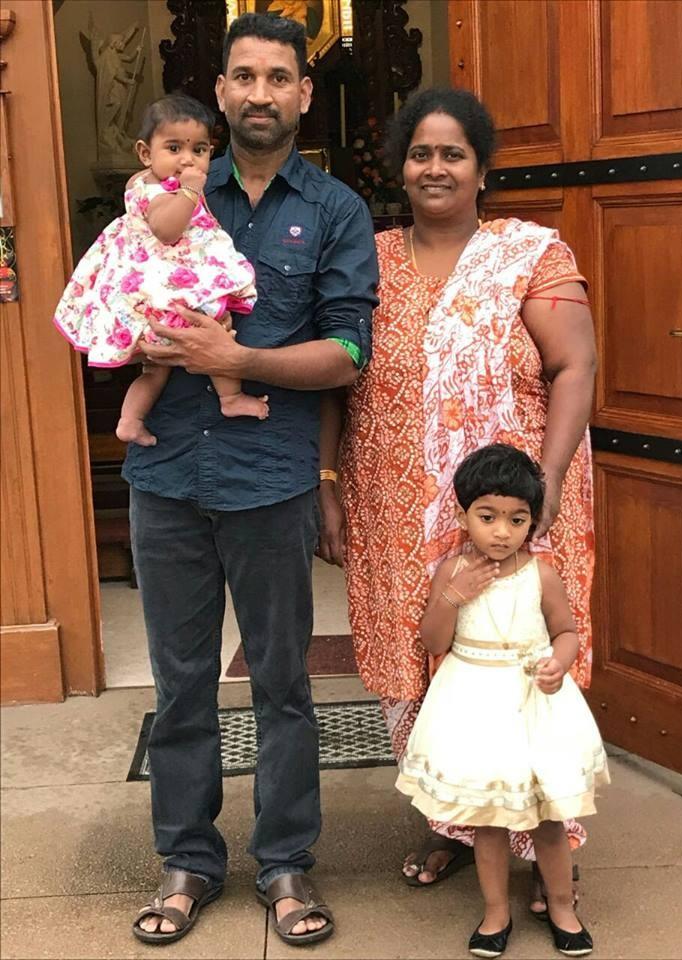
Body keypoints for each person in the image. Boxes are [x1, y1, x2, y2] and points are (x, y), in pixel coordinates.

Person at [126, 12, 378, 947]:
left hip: (269, 479)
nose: (261, 93)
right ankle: (188, 860)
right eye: (245, 76)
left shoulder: (338, 210)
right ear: (222, 88)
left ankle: (283, 864)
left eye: (280, 77)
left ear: (304, 94)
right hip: (166, 478)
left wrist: (237, 356)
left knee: (281, 683)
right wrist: (141, 344)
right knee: (180, 683)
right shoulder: (172, 185)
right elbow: (117, 293)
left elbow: (349, 352)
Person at [318, 87, 597, 911]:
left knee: (520, 662)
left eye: (453, 154)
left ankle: (549, 853)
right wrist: (327, 481)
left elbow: (574, 370)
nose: (434, 168)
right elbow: (336, 376)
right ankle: (456, 829)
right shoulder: (361, 257)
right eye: (420, 153)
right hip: (394, 504)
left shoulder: (531, 252)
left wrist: (541, 486)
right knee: (426, 666)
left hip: (516, 507)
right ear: (400, 168)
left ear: (482, 169)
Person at [397, 443, 609, 957]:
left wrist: (560, 661)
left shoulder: (542, 573)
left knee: (548, 817)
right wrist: (455, 594)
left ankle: (562, 904)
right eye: (487, 517)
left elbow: (566, 630)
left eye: (517, 520)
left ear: (533, 521)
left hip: (534, 701)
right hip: (474, 703)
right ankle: (496, 912)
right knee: (488, 820)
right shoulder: (451, 572)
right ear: (462, 514)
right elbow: (433, 642)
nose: (501, 532)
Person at [53, 93, 264, 448]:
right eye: (174, 148)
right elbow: (168, 230)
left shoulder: (154, 182)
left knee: (155, 369)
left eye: (199, 149)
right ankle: (230, 398)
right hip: (164, 289)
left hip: (161, 285)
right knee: (215, 328)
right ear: (145, 153)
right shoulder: (157, 191)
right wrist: (188, 192)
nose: (187, 159)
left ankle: (130, 419)